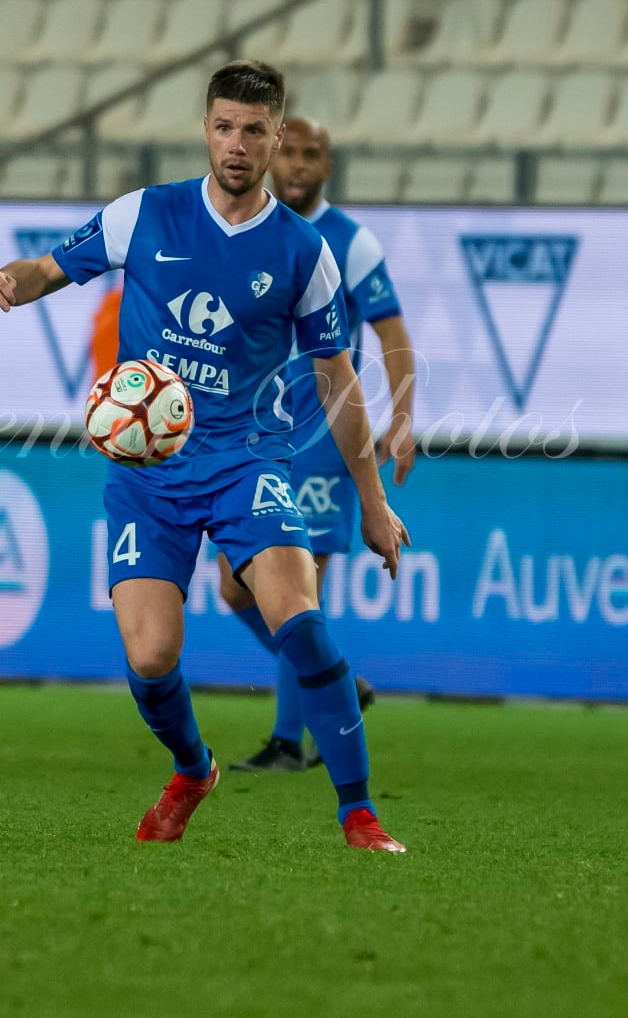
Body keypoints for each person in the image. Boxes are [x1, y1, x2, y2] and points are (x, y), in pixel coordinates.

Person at [0, 61, 409, 853]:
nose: (235, 144)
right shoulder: (147, 213)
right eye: (222, 126)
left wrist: (372, 503)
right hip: (147, 473)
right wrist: (11, 279)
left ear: (277, 136)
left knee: (301, 622)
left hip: (247, 462)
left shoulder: (304, 252)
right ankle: (192, 768)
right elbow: (52, 267)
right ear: (205, 128)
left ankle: (357, 813)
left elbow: (337, 379)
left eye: (252, 130)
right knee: (150, 655)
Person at [227, 118, 419, 773]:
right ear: (275, 156)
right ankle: (334, 679)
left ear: (326, 166)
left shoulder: (350, 242)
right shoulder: (252, 230)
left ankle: (287, 742)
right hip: (253, 439)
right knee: (233, 590)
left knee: (293, 595)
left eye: (315, 155)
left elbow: (392, 332)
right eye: (294, 153)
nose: (301, 166)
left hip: (320, 442)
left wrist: (401, 419)